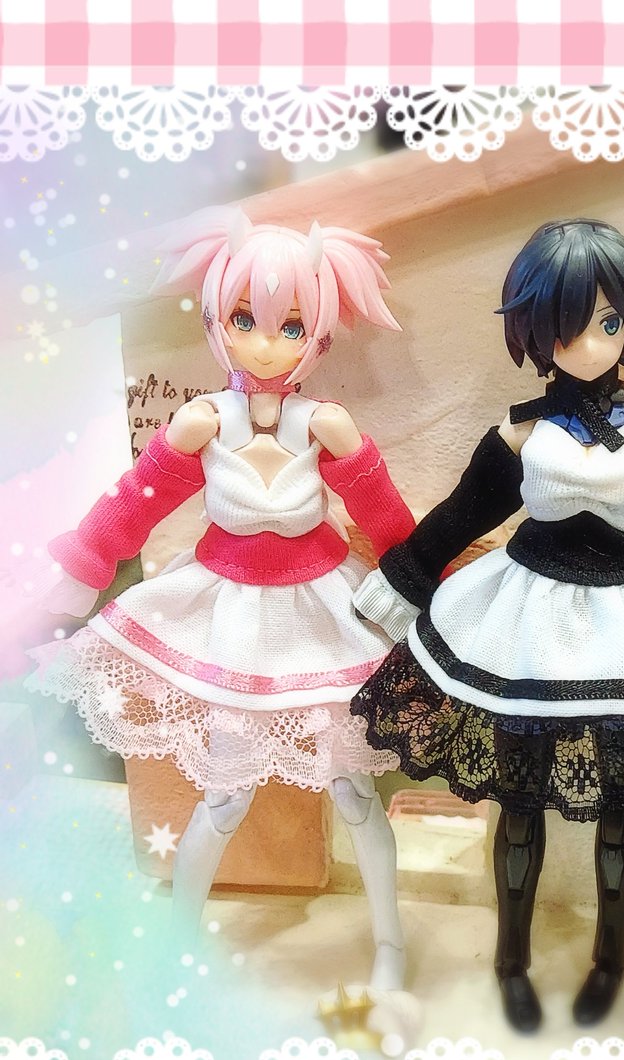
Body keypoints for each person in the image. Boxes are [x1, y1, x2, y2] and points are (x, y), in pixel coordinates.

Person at [350, 219, 624, 1031]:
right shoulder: (522, 432)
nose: (592, 344)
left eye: (609, 322)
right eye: (569, 326)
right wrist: (393, 589)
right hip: (526, 621)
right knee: (519, 802)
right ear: (535, 332)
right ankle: (511, 958)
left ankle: (611, 955)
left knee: (622, 803)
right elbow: (458, 516)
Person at [29, 208, 416, 997]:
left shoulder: (327, 426)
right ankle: (177, 938)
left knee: (354, 791)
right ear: (215, 321)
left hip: (324, 615)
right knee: (225, 794)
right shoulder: (201, 424)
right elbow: (132, 505)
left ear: (318, 335)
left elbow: (388, 523)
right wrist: (81, 570)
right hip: (229, 615)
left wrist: (423, 588)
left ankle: (391, 946)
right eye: (245, 320)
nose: (266, 344)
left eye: (291, 325)